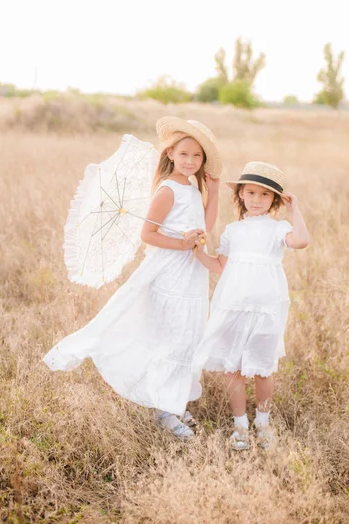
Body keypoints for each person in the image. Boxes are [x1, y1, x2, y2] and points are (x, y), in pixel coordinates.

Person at [43, 117, 221, 439]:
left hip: (192, 274)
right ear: (170, 155)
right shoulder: (167, 191)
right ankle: (165, 410)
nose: (191, 161)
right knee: (175, 335)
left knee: (190, 334)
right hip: (170, 273)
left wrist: (216, 189)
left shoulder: (193, 188)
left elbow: (206, 225)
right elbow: (148, 234)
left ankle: (172, 399)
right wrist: (180, 242)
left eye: (197, 156)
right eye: (184, 155)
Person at [192, 161, 310, 449]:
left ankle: (263, 423)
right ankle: (240, 426)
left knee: (263, 367)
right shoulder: (234, 230)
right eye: (251, 193)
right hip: (232, 304)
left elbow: (302, 240)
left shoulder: (278, 228)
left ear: (275, 200)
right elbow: (220, 264)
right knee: (233, 367)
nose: (257, 200)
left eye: (265, 195)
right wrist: (197, 249)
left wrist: (295, 210)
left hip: (267, 306)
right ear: (241, 195)